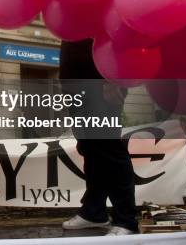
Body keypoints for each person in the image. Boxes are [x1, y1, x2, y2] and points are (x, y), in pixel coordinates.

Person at [59, 39, 138, 236]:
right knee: (89, 148)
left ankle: (126, 220)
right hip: (75, 83)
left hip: (100, 81)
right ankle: (94, 212)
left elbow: (111, 28)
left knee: (108, 148)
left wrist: (112, 79)